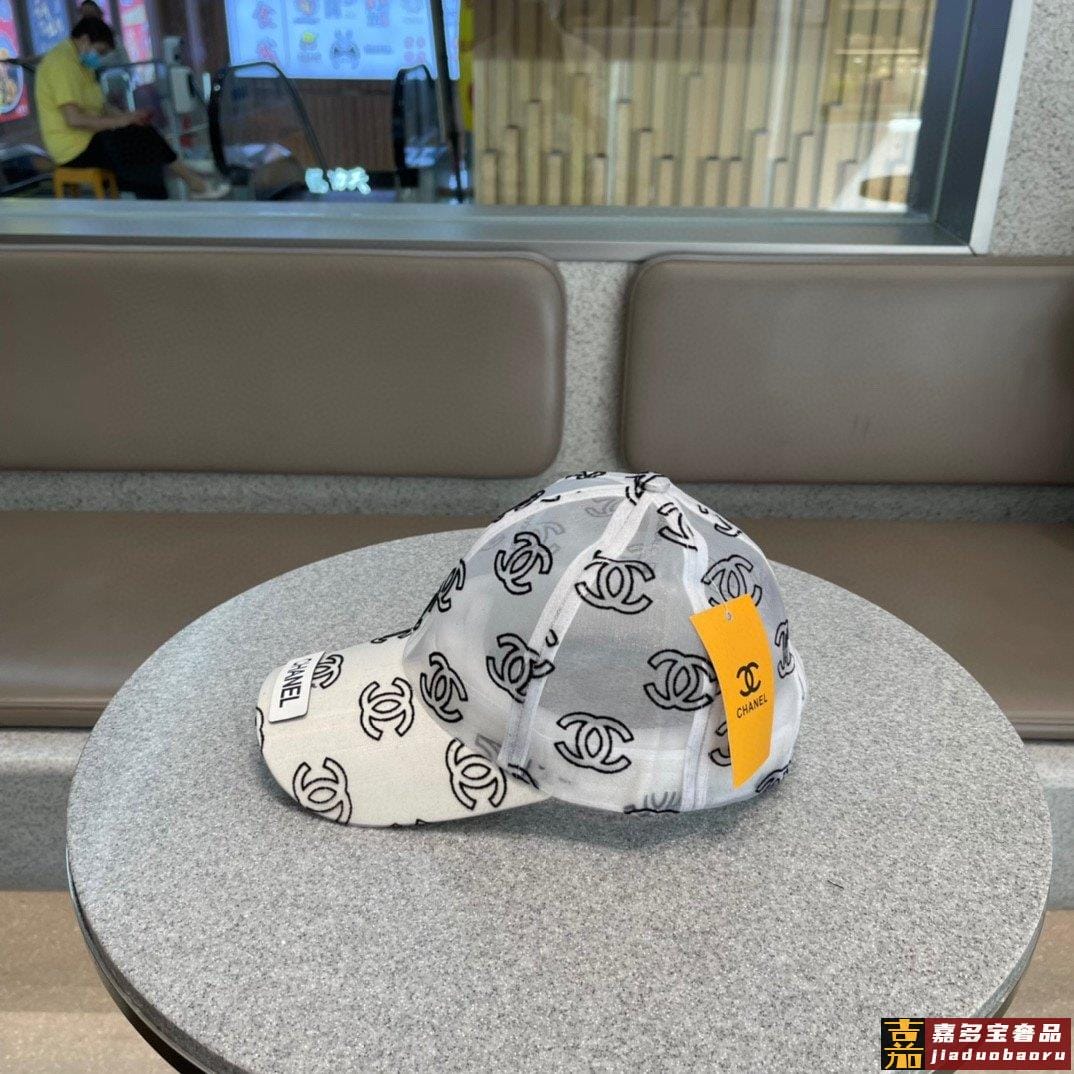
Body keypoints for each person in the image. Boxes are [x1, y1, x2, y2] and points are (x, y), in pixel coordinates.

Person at [35, 16, 229, 199]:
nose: (99, 58)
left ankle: (185, 180)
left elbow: (101, 107)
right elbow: (74, 119)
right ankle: (190, 181)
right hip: (74, 150)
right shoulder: (62, 63)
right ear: (85, 39)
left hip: (90, 139)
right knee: (139, 145)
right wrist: (121, 121)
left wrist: (130, 117)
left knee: (141, 131)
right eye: (100, 52)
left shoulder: (81, 63)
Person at [74, 1, 130, 66]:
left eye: (91, 14)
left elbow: (125, 59)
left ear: (99, 15)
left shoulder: (111, 36)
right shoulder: (80, 39)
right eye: (85, 15)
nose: (89, 19)